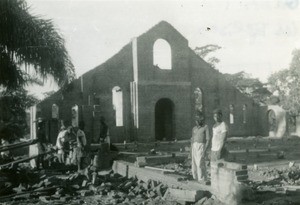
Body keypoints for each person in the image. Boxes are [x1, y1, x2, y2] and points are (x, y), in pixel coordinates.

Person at [191, 115, 210, 182]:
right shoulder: (194, 129)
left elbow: (208, 139)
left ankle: (202, 179)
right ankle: (195, 178)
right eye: (197, 120)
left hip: (201, 146)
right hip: (194, 146)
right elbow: (192, 139)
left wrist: (205, 150)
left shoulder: (205, 127)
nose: (198, 122)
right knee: (194, 163)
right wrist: (191, 150)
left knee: (200, 163)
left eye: (200, 120)